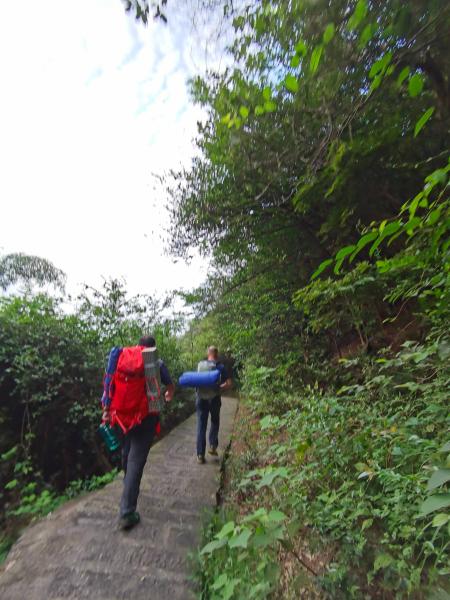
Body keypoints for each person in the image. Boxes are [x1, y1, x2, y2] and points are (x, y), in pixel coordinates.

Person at [102, 335, 175, 530]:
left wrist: (106, 410)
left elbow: (108, 382)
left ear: (138, 345)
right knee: (135, 460)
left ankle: (128, 486)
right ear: (153, 348)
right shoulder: (156, 362)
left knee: (127, 452)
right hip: (145, 418)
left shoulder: (121, 356)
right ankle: (127, 512)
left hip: (122, 416)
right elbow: (169, 387)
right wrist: (168, 396)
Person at [196, 346, 232, 464]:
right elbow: (229, 383)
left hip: (201, 398)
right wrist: (220, 387)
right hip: (215, 398)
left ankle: (200, 455)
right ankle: (212, 446)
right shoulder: (220, 367)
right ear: (217, 354)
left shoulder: (200, 365)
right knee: (215, 421)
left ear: (208, 353)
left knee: (201, 425)